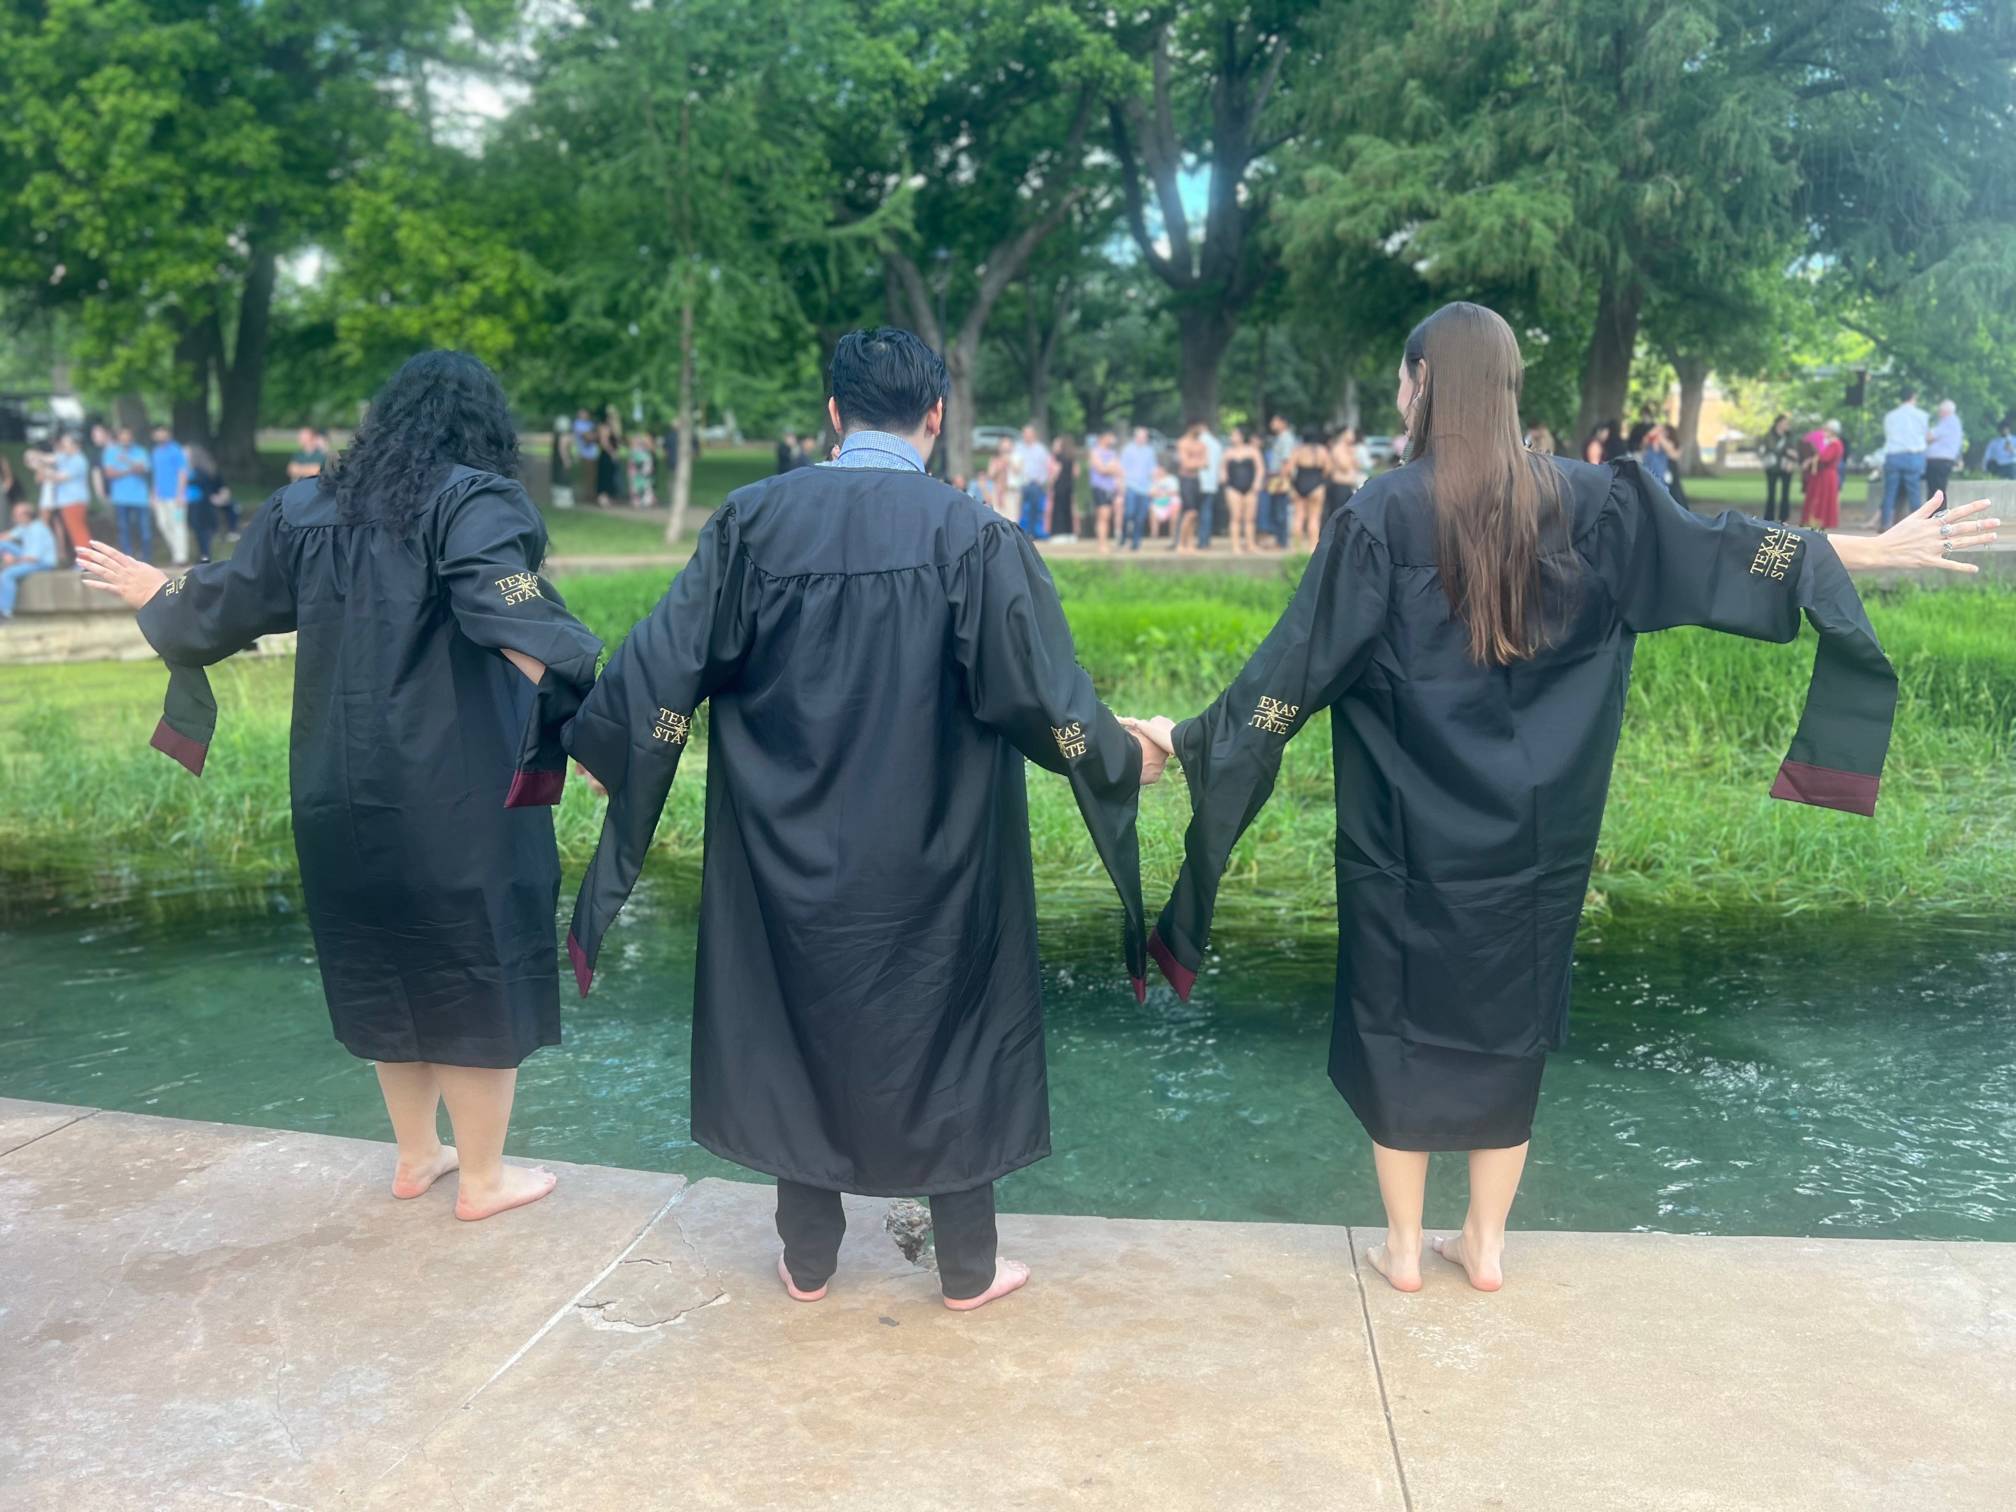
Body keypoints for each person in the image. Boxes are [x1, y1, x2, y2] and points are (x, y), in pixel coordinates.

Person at [1131, 301, 1998, 1297]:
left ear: (1423, 386)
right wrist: (1870, 551)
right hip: (1531, 859)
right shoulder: (1598, 503)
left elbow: (1290, 676)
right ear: (1505, 392)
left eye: (1405, 383)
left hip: (1407, 851)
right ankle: (1487, 1248)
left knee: (1398, 1025)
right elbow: (1727, 551)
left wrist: (1184, 741)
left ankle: (1406, 1253)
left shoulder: (1382, 515)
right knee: (1509, 1028)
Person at [562, 328, 1166, 1310]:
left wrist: (612, 751)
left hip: (782, 852)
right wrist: (1126, 754)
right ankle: (966, 1268)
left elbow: (665, 656)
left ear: (833, 414)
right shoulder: (973, 537)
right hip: (941, 860)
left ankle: (808, 1259)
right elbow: (1045, 700)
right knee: (958, 1031)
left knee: (797, 1023)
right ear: (934, 418)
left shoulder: (752, 524)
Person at [78, 351, 603, 1222]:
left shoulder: (306, 506)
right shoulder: (474, 501)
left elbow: (228, 600)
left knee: (383, 959)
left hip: (336, 794)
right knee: (474, 963)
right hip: (457, 792)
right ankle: (481, 1179)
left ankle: (414, 1156)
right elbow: (509, 614)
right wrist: (593, 717)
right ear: (481, 425)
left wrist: (158, 586)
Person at [102, 425, 154, 562]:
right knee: (124, 530)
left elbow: (144, 469)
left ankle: (146, 559)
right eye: (122, 437)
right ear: (118, 438)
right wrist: (131, 470)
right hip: (120, 498)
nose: (125, 439)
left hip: (140, 497)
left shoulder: (140, 451)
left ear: (131, 438)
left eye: (127, 437)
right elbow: (109, 473)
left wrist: (126, 461)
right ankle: (127, 560)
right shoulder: (111, 452)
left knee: (144, 531)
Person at [1880, 387, 1930, 528]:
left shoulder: (1890, 416)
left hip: (1893, 456)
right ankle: (1918, 525)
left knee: (1889, 492)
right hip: (1913, 456)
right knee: (1914, 492)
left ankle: (1885, 523)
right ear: (1913, 396)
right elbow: (1925, 435)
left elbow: (1888, 435)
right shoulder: (1922, 415)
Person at [0, 500, 59, 618]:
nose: (14, 518)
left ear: (27, 515)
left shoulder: (38, 529)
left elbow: (33, 558)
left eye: (17, 515)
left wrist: (13, 562)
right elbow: (4, 538)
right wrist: (6, 553)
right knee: (3, 544)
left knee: (7, 574)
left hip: (43, 563)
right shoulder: (24, 526)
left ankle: (5, 612)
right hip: (27, 557)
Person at [46, 432, 92, 563]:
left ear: (75, 445)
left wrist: (45, 470)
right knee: (75, 532)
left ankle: (86, 561)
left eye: (66, 444)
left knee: (78, 532)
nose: (63, 447)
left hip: (74, 501)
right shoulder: (68, 458)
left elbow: (60, 477)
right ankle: (84, 560)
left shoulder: (78, 460)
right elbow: (51, 458)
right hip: (70, 502)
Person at [149, 424, 191, 566]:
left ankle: (181, 557)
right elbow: (157, 475)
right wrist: (154, 494)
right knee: (163, 524)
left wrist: (180, 494)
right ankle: (176, 552)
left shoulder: (176, 450)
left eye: (163, 432)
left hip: (175, 496)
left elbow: (183, 472)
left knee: (178, 525)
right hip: (161, 496)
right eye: (158, 432)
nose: (160, 435)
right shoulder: (155, 452)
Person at [183, 444, 233, 562]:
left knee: (202, 531)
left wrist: (220, 498)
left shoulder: (200, 472)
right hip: (198, 504)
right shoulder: (197, 470)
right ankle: (204, 555)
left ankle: (205, 556)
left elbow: (220, 486)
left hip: (201, 505)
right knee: (201, 532)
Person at [1220, 426, 1263, 553]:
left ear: (1241, 436)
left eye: (1234, 435)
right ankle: (1236, 545)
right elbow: (1222, 468)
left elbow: (1260, 468)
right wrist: (1223, 477)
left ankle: (1250, 544)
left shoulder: (1252, 451)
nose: (1231, 437)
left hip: (1250, 487)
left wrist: (1257, 482)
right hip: (1233, 487)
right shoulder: (1228, 452)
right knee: (1235, 517)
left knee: (1250, 518)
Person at [1288, 430, 1329, 551]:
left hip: (1300, 482)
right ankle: (1312, 548)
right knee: (1314, 518)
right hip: (1316, 483)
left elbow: (1289, 470)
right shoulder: (1322, 451)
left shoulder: (1297, 450)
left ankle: (1296, 548)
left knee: (1298, 517)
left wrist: (1293, 484)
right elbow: (1328, 469)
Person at [1801, 420, 1845, 530]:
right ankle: (1813, 522)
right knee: (1817, 497)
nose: (1824, 431)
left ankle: (1819, 522)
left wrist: (1816, 455)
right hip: (1822, 474)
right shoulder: (1830, 443)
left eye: (1827, 429)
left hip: (1827, 475)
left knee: (1823, 499)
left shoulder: (1835, 444)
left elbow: (1825, 458)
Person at [1119, 426, 1156, 550]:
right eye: (1141, 436)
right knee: (1129, 513)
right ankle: (1123, 537)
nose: (1143, 439)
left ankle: (1136, 542)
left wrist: (1153, 486)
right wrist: (1122, 485)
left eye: (1145, 437)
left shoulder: (1150, 451)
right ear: (1136, 437)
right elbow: (1122, 469)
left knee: (1140, 517)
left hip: (1145, 488)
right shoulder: (1128, 450)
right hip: (1131, 485)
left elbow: (1152, 470)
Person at [1265, 416, 1298, 547]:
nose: (1272, 424)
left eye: (1275, 422)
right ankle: (1279, 540)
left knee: (1280, 510)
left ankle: (1282, 541)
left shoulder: (1286, 438)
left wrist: (1281, 480)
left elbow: (1286, 461)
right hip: (1275, 476)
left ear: (1283, 423)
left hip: (1280, 477)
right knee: (1276, 508)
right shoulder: (1280, 438)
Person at [1759, 414, 1798, 524]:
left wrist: (1792, 459)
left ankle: (1783, 517)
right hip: (1772, 467)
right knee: (1771, 493)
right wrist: (1786, 451)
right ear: (1778, 423)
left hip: (1786, 466)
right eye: (1785, 423)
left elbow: (1794, 450)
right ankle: (1769, 517)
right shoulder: (1769, 435)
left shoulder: (1790, 435)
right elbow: (1769, 448)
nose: (1787, 425)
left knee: (1785, 493)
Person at [1087, 431, 1123, 552]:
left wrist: (1110, 468)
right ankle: (1101, 544)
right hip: (1100, 488)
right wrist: (1110, 468)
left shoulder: (1112, 453)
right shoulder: (1095, 452)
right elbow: (1101, 469)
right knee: (1103, 515)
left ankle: (1105, 542)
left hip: (1110, 488)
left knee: (1108, 517)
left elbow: (1118, 470)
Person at [1174, 424, 1207, 553]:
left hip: (1196, 480)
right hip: (1185, 479)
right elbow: (1185, 464)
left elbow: (1205, 463)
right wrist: (1197, 462)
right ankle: (1181, 544)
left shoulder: (1201, 445)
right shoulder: (1182, 442)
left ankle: (1190, 544)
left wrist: (1194, 462)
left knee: (1195, 515)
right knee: (1189, 512)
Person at [1325, 426, 1369, 523]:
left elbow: (1358, 466)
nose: (1353, 436)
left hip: (1350, 485)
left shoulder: (1350, 449)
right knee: (1338, 514)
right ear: (1344, 435)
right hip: (1340, 485)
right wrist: (1351, 455)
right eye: (1351, 433)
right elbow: (1345, 466)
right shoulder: (1338, 448)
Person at [1926, 400, 1964, 506]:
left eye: (1940, 410)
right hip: (1943, 460)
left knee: (1936, 491)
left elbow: (1930, 436)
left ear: (1945, 411)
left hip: (1939, 460)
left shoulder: (1948, 421)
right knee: (1938, 489)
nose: (1939, 413)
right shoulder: (1954, 422)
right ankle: (1937, 515)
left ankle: (1937, 516)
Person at [1017, 423, 1052, 540]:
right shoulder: (1018, 448)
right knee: (1019, 509)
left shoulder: (1040, 449)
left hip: (1035, 484)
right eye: (1024, 434)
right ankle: (1020, 533)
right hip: (1020, 484)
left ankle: (1032, 533)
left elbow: (1046, 467)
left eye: (1028, 434)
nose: (1026, 436)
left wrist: (1041, 480)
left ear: (1033, 435)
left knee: (1034, 509)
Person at [1196, 423, 1224, 549]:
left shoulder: (1198, 442)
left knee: (1196, 512)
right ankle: (1205, 540)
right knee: (1207, 511)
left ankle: (1200, 540)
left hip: (1198, 481)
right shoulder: (1217, 444)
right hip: (1212, 482)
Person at [1049, 434, 1078, 543]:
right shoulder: (1071, 457)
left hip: (1060, 486)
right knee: (1068, 510)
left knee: (1058, 510)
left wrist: (1051, 482)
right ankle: (1069, 533)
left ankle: (1058, 533)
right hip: (1069, 486)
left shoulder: (1057, 457)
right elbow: (1076, 473)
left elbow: (1056, 471)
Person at [549, 418, 576, 509]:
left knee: (557, 478)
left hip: (556, 461)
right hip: (561, 461)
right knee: (563, 479)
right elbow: (563, 449)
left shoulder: (556, 435)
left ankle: (557, 499)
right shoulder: (564, 436)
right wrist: (566, 460)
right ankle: (564, 501)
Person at [628, 431, 656, 509]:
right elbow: (633, 462)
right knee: (636, 487)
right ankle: (637, 501)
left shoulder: (644, 450)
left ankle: (646, 501)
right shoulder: (634, 451)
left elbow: (648, 460)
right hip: (637, 472)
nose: (639, 442)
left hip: (643, 472)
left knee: (645, 486)